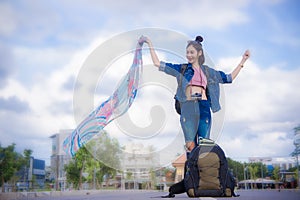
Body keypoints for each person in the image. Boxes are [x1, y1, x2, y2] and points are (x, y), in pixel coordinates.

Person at [143, 35, 250, 157]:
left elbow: (229, 78)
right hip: (187, 107)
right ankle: (191, 174)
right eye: (187, 52)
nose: (189, 55)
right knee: (190, 146)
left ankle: (202, 175)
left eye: (192, 52)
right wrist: (149, 43)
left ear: (199, 53)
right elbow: (157, 63)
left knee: (204, 147)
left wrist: (243, 61)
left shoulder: (208, 72)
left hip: (203, 107)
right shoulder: (181, 69)